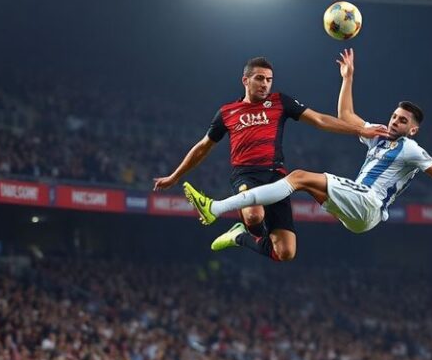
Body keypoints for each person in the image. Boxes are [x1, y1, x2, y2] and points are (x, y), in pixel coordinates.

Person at [182, 49, 432, 240]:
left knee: (298, 177)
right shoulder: (380, 136)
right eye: (394, 116)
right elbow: (346, 116)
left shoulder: (411, 150)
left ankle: (216, 208)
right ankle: (244, 232)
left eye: (402, 121)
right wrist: (348, 78)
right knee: (301, 187)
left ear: (413, 130)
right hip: (357, 215)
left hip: (368, 204)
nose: (394, 121)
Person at [153, 56, 388, 262]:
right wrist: (175, 176)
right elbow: (203, 147)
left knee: (286, 253)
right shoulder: (227, 112)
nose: (265, 84)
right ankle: (245, 220)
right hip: (246, 174)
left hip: (276, 177)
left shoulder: (280, 102)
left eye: (269, 79)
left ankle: (238, 236)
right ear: (245, 80)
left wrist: (359, 130)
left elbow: (320, 120)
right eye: (259, 78)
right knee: (255, 214)